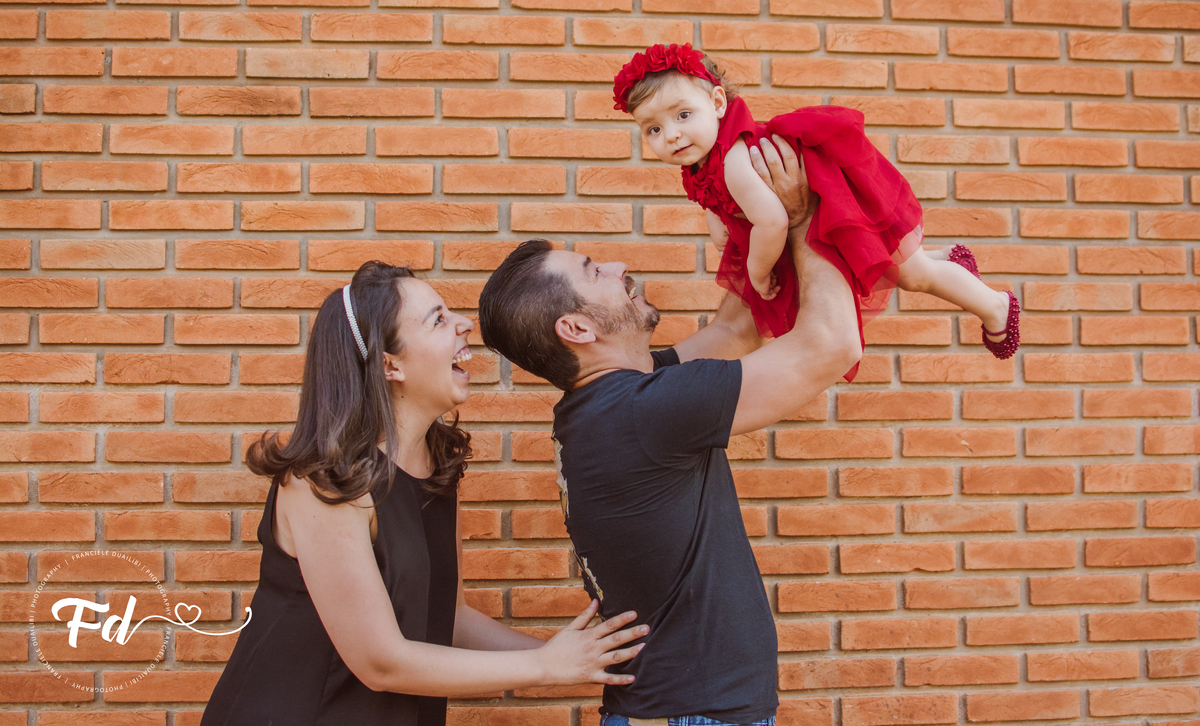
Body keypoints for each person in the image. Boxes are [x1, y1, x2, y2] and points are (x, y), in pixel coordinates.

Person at [477, 140, 862, 726]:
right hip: (694, 716)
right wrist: (809, 216)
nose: (618, 266)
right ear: (576, 327)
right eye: (593, 272)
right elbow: (832, 345)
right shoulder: (645, 410)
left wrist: (760, 217)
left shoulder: (604, 404)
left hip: (672, 713)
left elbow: (735, 330)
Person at [200, 261, 648, 726]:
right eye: (437, 319)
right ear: (390, 364)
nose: (463, 324)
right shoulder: (321, 481)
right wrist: (546, 667)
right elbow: (381, 662)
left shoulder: (438, 466)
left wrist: (582, 660)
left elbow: (446, 618)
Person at [613, 42, 1021, 377]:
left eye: (683, 115)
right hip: (825, 204)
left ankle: (994, 305)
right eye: (653, 129)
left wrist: (757, 272)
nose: (672, 134)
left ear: (718, 102)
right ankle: (949, 260)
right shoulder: (702, 159)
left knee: (915, 275)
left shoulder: (735, 161)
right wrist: (716, 217)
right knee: (893, 265)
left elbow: (772, 221)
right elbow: (715, 195)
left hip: (838, 196)